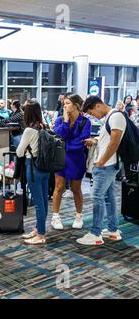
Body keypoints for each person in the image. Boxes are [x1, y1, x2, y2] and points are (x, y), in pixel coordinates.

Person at [76, 96, 126, 245]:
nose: (93, 117)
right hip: (107, 164)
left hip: (107, 165)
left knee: (97, 196)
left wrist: (101, 162)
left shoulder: (116, 116)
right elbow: (108, 138)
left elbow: (115, 143)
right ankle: (113, 230)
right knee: (108, 197)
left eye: (92, 113)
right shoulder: (111, 116)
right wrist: (96, 140)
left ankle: (95, 233)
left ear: (98, 106)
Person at [50, 94, 92, 230]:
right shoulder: (60, 120)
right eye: (64, 103)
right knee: (59, 187)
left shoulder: (86, 122)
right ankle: (55, 217)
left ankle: (79, 216)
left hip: (77, 159)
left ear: (76, 105)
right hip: (61, 158)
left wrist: (68, 145)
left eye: (67, 103)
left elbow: (82, 142)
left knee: (76, 189)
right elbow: (59, 136)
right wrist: (66, 122)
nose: (65, 106)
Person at [16, 99, 49, 245]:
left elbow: (19, 152)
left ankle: (41, 235)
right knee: (43, 200)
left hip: (33, 166)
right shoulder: (43, 126)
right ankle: (38, 229)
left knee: (38, 203)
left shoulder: (29, 130)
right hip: (45, 166)